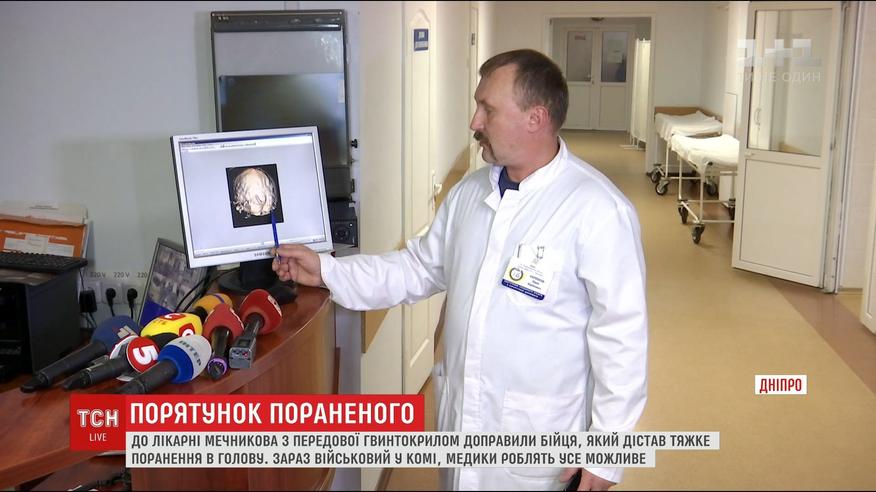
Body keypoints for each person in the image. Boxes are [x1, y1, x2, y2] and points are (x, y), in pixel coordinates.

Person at [274, 49, 648, 491]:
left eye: (488, 109)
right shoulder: (470, 194)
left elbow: (621, 338)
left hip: (541, 442)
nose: (474, 122)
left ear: (535, 118)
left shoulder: (598, 210)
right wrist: (326, 271)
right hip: (464, 424)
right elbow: (417, 268)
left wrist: (607, 451)